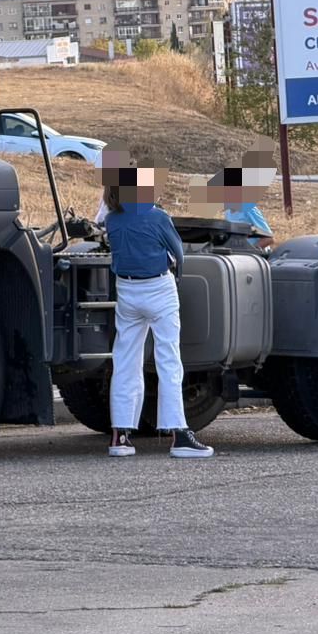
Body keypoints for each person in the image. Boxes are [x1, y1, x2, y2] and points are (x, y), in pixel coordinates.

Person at [99, 156, 213, 460]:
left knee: (125, 361)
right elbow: (178, 254)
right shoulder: (158, 216)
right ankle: (178, 434)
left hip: (127, 290)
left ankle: (120, 435)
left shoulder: (112, 219)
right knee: (168, 360)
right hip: (158, 288)